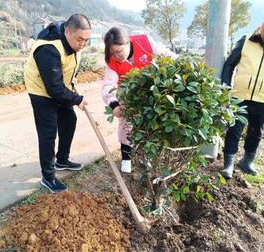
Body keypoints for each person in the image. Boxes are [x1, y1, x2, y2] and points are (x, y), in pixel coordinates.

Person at [24, 14, 91, 193]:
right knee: (48, 133)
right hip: (42, 93)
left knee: (69, 120)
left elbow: (66, 72)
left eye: (87, 40)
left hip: (60, 88)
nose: (83, 44)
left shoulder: (74, 43)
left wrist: (72, 88)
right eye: (80, 39)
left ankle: (62, 159)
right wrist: (77, 99)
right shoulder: (48, 49)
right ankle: (48, 177)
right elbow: (53, 88)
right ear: (67, 31)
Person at [101, 27, 177, 173]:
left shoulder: (145, 42)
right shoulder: (112, 61)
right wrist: (114, 104)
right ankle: (126, 158)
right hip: (127, 94)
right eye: (112, 53)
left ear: (127, 42)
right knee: (126, 124)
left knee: (149, 124)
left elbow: (167, 55)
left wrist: (181, 65)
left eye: (118, 51)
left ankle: (145, 156)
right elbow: (108, 85)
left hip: (150, 91)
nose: (116, 56)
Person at [220, 14, 264, 179]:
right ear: (261, 25)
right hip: (240, 96)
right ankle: (228, 164)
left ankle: (247, 161)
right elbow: (229, 64)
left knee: (256, 131)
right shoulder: (246, 41)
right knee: (234, 130)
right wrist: (226, 86)